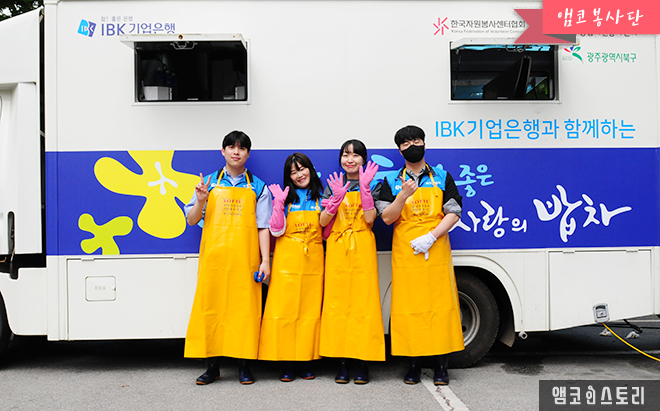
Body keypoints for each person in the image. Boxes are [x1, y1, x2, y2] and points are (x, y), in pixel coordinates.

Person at [376, 125, 464, 386]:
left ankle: (441, 367)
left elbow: (454, 212)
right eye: (405, 143)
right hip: (406, 253)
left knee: (440, 307)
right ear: (399, 150)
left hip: (435, 249)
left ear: (424, 144)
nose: (411, 145)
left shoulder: (442, 176)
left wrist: (431, 237)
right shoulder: (391, 181)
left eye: (416, 140)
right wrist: (403, 195)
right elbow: (387, 217)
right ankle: (413, 365)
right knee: (409, 308)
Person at [183, 130, 272, 385]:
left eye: (241, 148)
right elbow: (191, 220)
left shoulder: (259, 187)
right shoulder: (208, 183)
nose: (236, 152)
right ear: (223, 151)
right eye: (231, 147)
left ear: (248, 154)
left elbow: (263, 226)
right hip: (214, 259)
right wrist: (200, 201)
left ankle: (244, 366)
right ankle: (212, 367)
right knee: (211, 309)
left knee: (244, 310)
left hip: (245, 259)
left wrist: (265, 260)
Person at [319, 139, 385, 385]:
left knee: (363, 305)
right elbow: (322, 222)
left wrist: (365, 190)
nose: (350, 159)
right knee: (337, 305)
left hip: (363, 246)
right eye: (346, 154)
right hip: (337, 248)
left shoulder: (375, 184)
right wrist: (335, 200)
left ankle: (363, 363)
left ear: (364, 159)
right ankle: (342, 363)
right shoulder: (333, 184)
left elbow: (370, 219)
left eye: (356, 155)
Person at [258, 153, 325, 382]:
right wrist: (278, 204)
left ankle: (305, 360)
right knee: (285, 311)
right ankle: (286, 362)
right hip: (286, 264)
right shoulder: (285, 199)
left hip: (313, 263)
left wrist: (332, 206)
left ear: (311, 170)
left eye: (302, 169)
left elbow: (326, 232)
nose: (299, 175)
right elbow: (276, 231)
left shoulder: (322, 198)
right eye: (293, 172)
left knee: (309, 311)